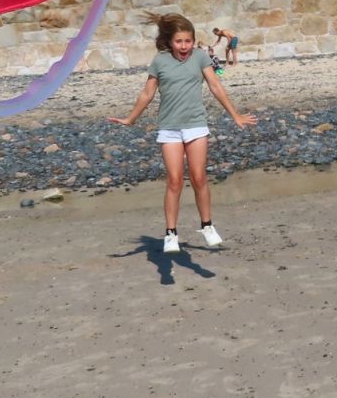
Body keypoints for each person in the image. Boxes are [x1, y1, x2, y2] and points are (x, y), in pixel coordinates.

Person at [108, 13, 256, 254]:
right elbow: (147, 94)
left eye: (188, 41)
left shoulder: (200, 57)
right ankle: (170, 234)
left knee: (199, 178)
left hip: (196, 126)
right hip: (169, 129)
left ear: (193, 40)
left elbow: (215, 86)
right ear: (170, 41)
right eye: (179, 41)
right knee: (174, 181)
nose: (184, 46)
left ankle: (207, 226)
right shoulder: (160, 61)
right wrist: (130, 118)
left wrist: (235, 115)